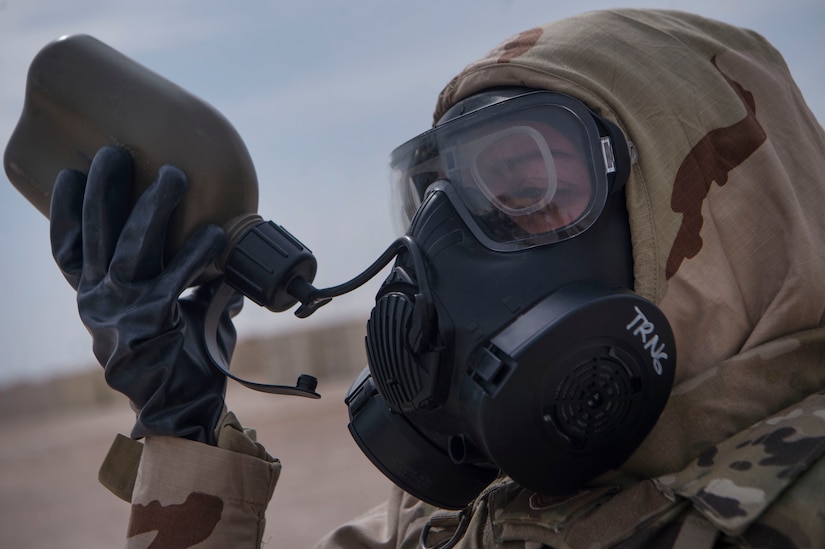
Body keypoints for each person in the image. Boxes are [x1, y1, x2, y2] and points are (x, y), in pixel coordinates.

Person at [47, 8, 825, 548]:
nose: (437, 247)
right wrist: (183, 427)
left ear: (714, 216)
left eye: (520, 188)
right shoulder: (456, 516)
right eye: (431, 201)